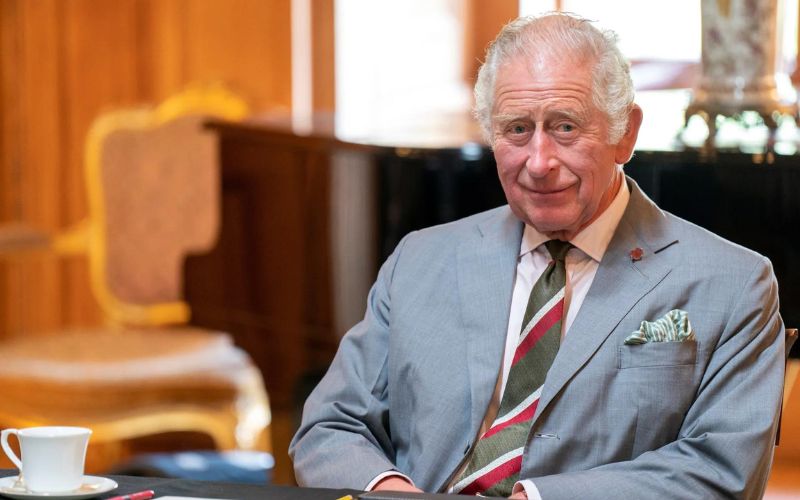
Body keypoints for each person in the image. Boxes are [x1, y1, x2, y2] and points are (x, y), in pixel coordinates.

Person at [290, 13, 785, 499]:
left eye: (565, 127)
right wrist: (391, 493)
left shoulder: (734, 284)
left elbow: (721, 471)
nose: (539, 162)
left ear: (626, 133)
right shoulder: (419, 259)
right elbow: (331, 425)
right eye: (517, 129)